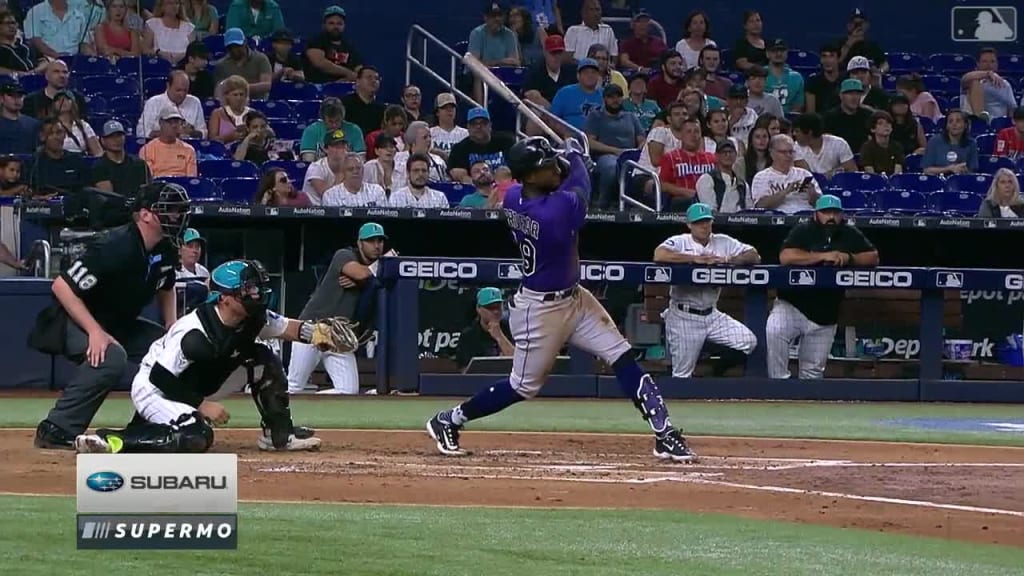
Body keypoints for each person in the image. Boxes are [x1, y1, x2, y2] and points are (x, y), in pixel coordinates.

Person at [427, 136, 697, 461]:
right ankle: (450, 419)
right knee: (523, 387)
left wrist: (564, 159)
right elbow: (582, 186)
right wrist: (577, 157)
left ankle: (664, 433)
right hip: (540, 310)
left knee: (622, 355)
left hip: (575, 299)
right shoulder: (553, 213)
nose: (553, 169)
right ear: (529, 177)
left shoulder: (513, 195)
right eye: (545, 166)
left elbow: (560, 176)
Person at [72, 259, 327, 453]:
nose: (256, 294)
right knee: (196, 435)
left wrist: (319, 334)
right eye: (248, 290)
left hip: (198, 380)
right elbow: (159, 376)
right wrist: (202, 406)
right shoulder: (193, 330)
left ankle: (278, 434)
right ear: (225, 298)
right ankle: (114, 440)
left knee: (263, 358)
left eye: (257, 288)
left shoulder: (252, 317)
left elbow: (288, 328)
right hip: (155, 387)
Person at [29, 182, 190, 450]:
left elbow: (167, 284)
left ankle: (148, 425)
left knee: (174, 351)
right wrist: (94, 331)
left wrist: (171, 326)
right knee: (111, 357)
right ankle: (56, 429)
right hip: (75, 320)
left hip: (119, 323)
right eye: (170, 210)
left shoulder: (164, 247)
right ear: (146, 214)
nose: (177, 216)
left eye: (178, 210)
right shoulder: (114, 245)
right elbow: (62, 287)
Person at [767, 195, 878, 379]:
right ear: (816, 214)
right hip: (792, 306)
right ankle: (778, 386)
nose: (831, 217)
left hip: (825, 314)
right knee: (774, 330)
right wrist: (822, 256)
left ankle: (806, 404)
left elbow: (873, 257)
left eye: (835, 212)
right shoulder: (804, 230)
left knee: (812, 374)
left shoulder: (848, 232)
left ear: (841, 214)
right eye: (826, 212)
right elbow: (786, 256)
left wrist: (850, 258)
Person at [652, 203, 759, 378]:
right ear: (689, 225)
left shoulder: (723, 241)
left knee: (748, 341)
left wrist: (729, 259)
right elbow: (659, 255)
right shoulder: (680, 241)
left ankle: (714, 367)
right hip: (684, 316)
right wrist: (694, 259)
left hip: (712, 315)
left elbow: (754, 255)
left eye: (707, 221)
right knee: (682, 375)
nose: (704, 226)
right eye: (699, 222)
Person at [287, 223, 387, 395]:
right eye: (370, 241)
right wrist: (385, 263)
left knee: (348, 391)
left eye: (380, 241)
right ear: (360, 243)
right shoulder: (345, 254)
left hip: (340, 335)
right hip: (313, 327)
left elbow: (367, 277)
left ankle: (314, 408)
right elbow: (360, 273)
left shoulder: (374, 272)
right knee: (294, 387)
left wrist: (365, 282)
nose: (376, 245)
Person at [584, 83, 643, 210]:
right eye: (611, 97)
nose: (615, 100)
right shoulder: (596, 116)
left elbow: (641, 139)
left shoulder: (631, 117)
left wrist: (638, 150)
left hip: (631, 155)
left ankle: (636, 206)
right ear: (605, 99)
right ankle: (602, 204)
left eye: (618, 96)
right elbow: (590, 142)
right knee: (611, 167)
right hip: (605, 155)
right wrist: (616, 151)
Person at [750, 134, 821, 214]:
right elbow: (760, 206)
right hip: (778, 220)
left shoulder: (804, 174)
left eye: (791, 152)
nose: (788, 156)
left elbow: (820, 204)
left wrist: (813, 195)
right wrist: (786, 191)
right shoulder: (761, 177)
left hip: (806, 217)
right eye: (783, 152)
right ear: (772, 153)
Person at [24, 118, 90, 197]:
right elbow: (27, 193)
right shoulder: (34, 163)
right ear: (42, 136)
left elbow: (87, 191)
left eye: (59, 132)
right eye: (51, 133)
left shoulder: (76, 160)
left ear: (65, 135)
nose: (56, 137)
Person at [447, 107, 515, 183]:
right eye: (474, 124)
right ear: (468, 127)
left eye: (483, 123)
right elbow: (456, 173)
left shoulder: (507, 141)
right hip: (474, 191)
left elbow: (516, 169)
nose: (478, 126)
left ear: (490, 125)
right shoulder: (459, 149)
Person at [454, 287, 514, 371]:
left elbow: (519, 363)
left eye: (498, 307)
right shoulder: (469, 336)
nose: (496, 312)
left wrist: (499, 336)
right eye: (490, 308)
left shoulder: (510, 329)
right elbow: (464, 370)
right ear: (479, 308)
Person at [138, 70, 207, 139]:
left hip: (189, 147)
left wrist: (190, 133)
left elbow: (203, 133)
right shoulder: (153, 103)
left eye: (185, 90)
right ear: (168, 86)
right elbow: (142, 132)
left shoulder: (195, 102)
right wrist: (170, 133)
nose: (182, 94)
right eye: (178, 90)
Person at [92, 120, 152, 195]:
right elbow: (108, 196)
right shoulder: (99, 167)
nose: (116, 140)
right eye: (111, 137)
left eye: (119, 135)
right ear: (103, 140)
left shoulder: (139, 164)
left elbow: (148, 191)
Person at [299, 97, 365, 162]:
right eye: (330, 121)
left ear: (342, 117)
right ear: (323, 119)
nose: (334, 125)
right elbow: (308, 162)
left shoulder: (354, 130)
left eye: (337, 120)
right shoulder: (311, 131)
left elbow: (360, 161)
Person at [304, 6, 359, 83]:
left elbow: (359, 66)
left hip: (346, 88)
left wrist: (357, 76)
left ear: (344, 26)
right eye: (331, 23)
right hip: (319, 88)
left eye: (339, 24)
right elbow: (320, 63)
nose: (335, 27)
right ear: (324, 25)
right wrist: (349, 73)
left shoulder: (349, 46)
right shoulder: (316, 42)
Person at [213, 27, 272, 100]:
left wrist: (242, 89)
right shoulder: (222, 65)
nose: (234, 49)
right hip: (231, 104)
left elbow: (266, 85)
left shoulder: (261, 59)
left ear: (245, 42)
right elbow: (219, 89)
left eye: (237, 46)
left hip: (257, 102)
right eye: (231, 47)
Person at [960, 47, 1017, 121]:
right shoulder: (970, 80)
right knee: (975, 82)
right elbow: (965, 78)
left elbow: (1012, 108)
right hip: (973, 120)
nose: (989, 65)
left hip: (998, 122)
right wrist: (988, 73)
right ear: (978, 64)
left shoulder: (1005, 84)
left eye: (992, 61)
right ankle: (980, 120)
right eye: (984, 61)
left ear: (997, 64)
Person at [139, 108, 198, 178]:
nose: (174, 126)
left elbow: (191, 179)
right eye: (170, 122)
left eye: (176, 122)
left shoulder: (189, 150)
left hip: (182, 187)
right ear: (160, 123)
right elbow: (149, 179)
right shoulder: (147, 149)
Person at [550, 57, 604, 131]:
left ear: (598, 76)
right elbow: (552, 119)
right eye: (586, 72)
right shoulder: (564, 93)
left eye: (593, 72)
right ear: (578, 76)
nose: (590, 75)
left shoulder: (605, 94)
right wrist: (565, 133)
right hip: (570, 138)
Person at [392, 121, 447, 190]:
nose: (429, 140)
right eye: (425, 137)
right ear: (413, 141)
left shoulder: (438, 161)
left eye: (430, 136)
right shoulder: (397, 159)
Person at [922, 110, 979, 176]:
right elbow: (926, 170)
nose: (954, 124)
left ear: (965, 125)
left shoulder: (971, 143)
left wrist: (964, 170)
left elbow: (972, 171)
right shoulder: (934, 141)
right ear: (947, 126)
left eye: (958, 121)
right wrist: (949, 169)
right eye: (950, 121)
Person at [695, 140, 747, 213]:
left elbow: (749, 211)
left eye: (730, 152)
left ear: (735, 155)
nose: (728, 155)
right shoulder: (706, 179)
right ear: (716, 156)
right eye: (724, 152)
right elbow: (710, 210)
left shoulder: (742, 184)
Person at [823, 79, 873, 153]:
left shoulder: (868, 115)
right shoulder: (829, 118)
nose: (854, 97)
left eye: (857, 94)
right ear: (841, 95)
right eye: (850, 93)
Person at [301, 129, 349, 205]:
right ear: (325, 149)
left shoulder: (351, 166)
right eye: (336, 146)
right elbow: (330, 196)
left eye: (343, 146)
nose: (341, 150)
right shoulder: (316, 168)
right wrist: (341, 171)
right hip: (314, 212)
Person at [321, 153, 387, 207]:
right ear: (343, 172)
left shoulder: (376, 191)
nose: (355, 171)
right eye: (350, 169)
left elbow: (384, 218)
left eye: (358, 168)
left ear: (363, 171)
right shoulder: (331, 195)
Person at [143, 0, 195, 64]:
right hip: (159, 64)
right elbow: (145, 50)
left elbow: (193, 52)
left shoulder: (188, 27)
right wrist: (158, 53)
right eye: (170, 3)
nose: (174, 6)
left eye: (177, 3)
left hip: (184, 65)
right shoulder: (152, 24)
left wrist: (183, 56)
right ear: (162, 6)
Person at [54, 90, 101, 157]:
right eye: (58, 100)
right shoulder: (51, 126)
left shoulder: (84, 125)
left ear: (73, 102)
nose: (63, 101)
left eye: (67, 99)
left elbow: (98, 152)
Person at [208, 74, 252, 145]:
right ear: (226, 96)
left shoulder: (252, 114)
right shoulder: (217, 114)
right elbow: (212, 140)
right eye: (235, 94)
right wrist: (229, 137)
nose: (239, 98)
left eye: (241, 94)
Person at [764, 38, 805, 114]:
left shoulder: (797, 78)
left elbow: (798, 107)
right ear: (767, 54)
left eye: (782, 50)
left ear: (787, 53)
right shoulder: (759, 75)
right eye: (774, 51)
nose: (779, 54)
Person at [0, 78, 39, 155]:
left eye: (20, 96)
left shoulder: (34, 124)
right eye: (11, 95)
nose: (17, 99)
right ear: (1, 98)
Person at [860, 111, 904, 175]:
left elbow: (897, 174)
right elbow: (870, 174)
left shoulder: (897, 147)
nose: (886, 125)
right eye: (880, 123)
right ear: (873, 129)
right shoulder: (867, 148)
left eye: (888, 123)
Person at [804, 44, 842, 115]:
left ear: (838, 59)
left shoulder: (845, 81)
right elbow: (811, 114)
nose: (827, 60)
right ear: (821, 60)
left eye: (831, 56)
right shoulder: (813, 82)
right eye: (824, 56)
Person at [429, 93, 469, 158]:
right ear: (437, 112)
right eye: (444, 107)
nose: (449, 110)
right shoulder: (429, 133)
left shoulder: (466, 134)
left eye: (452, 107)